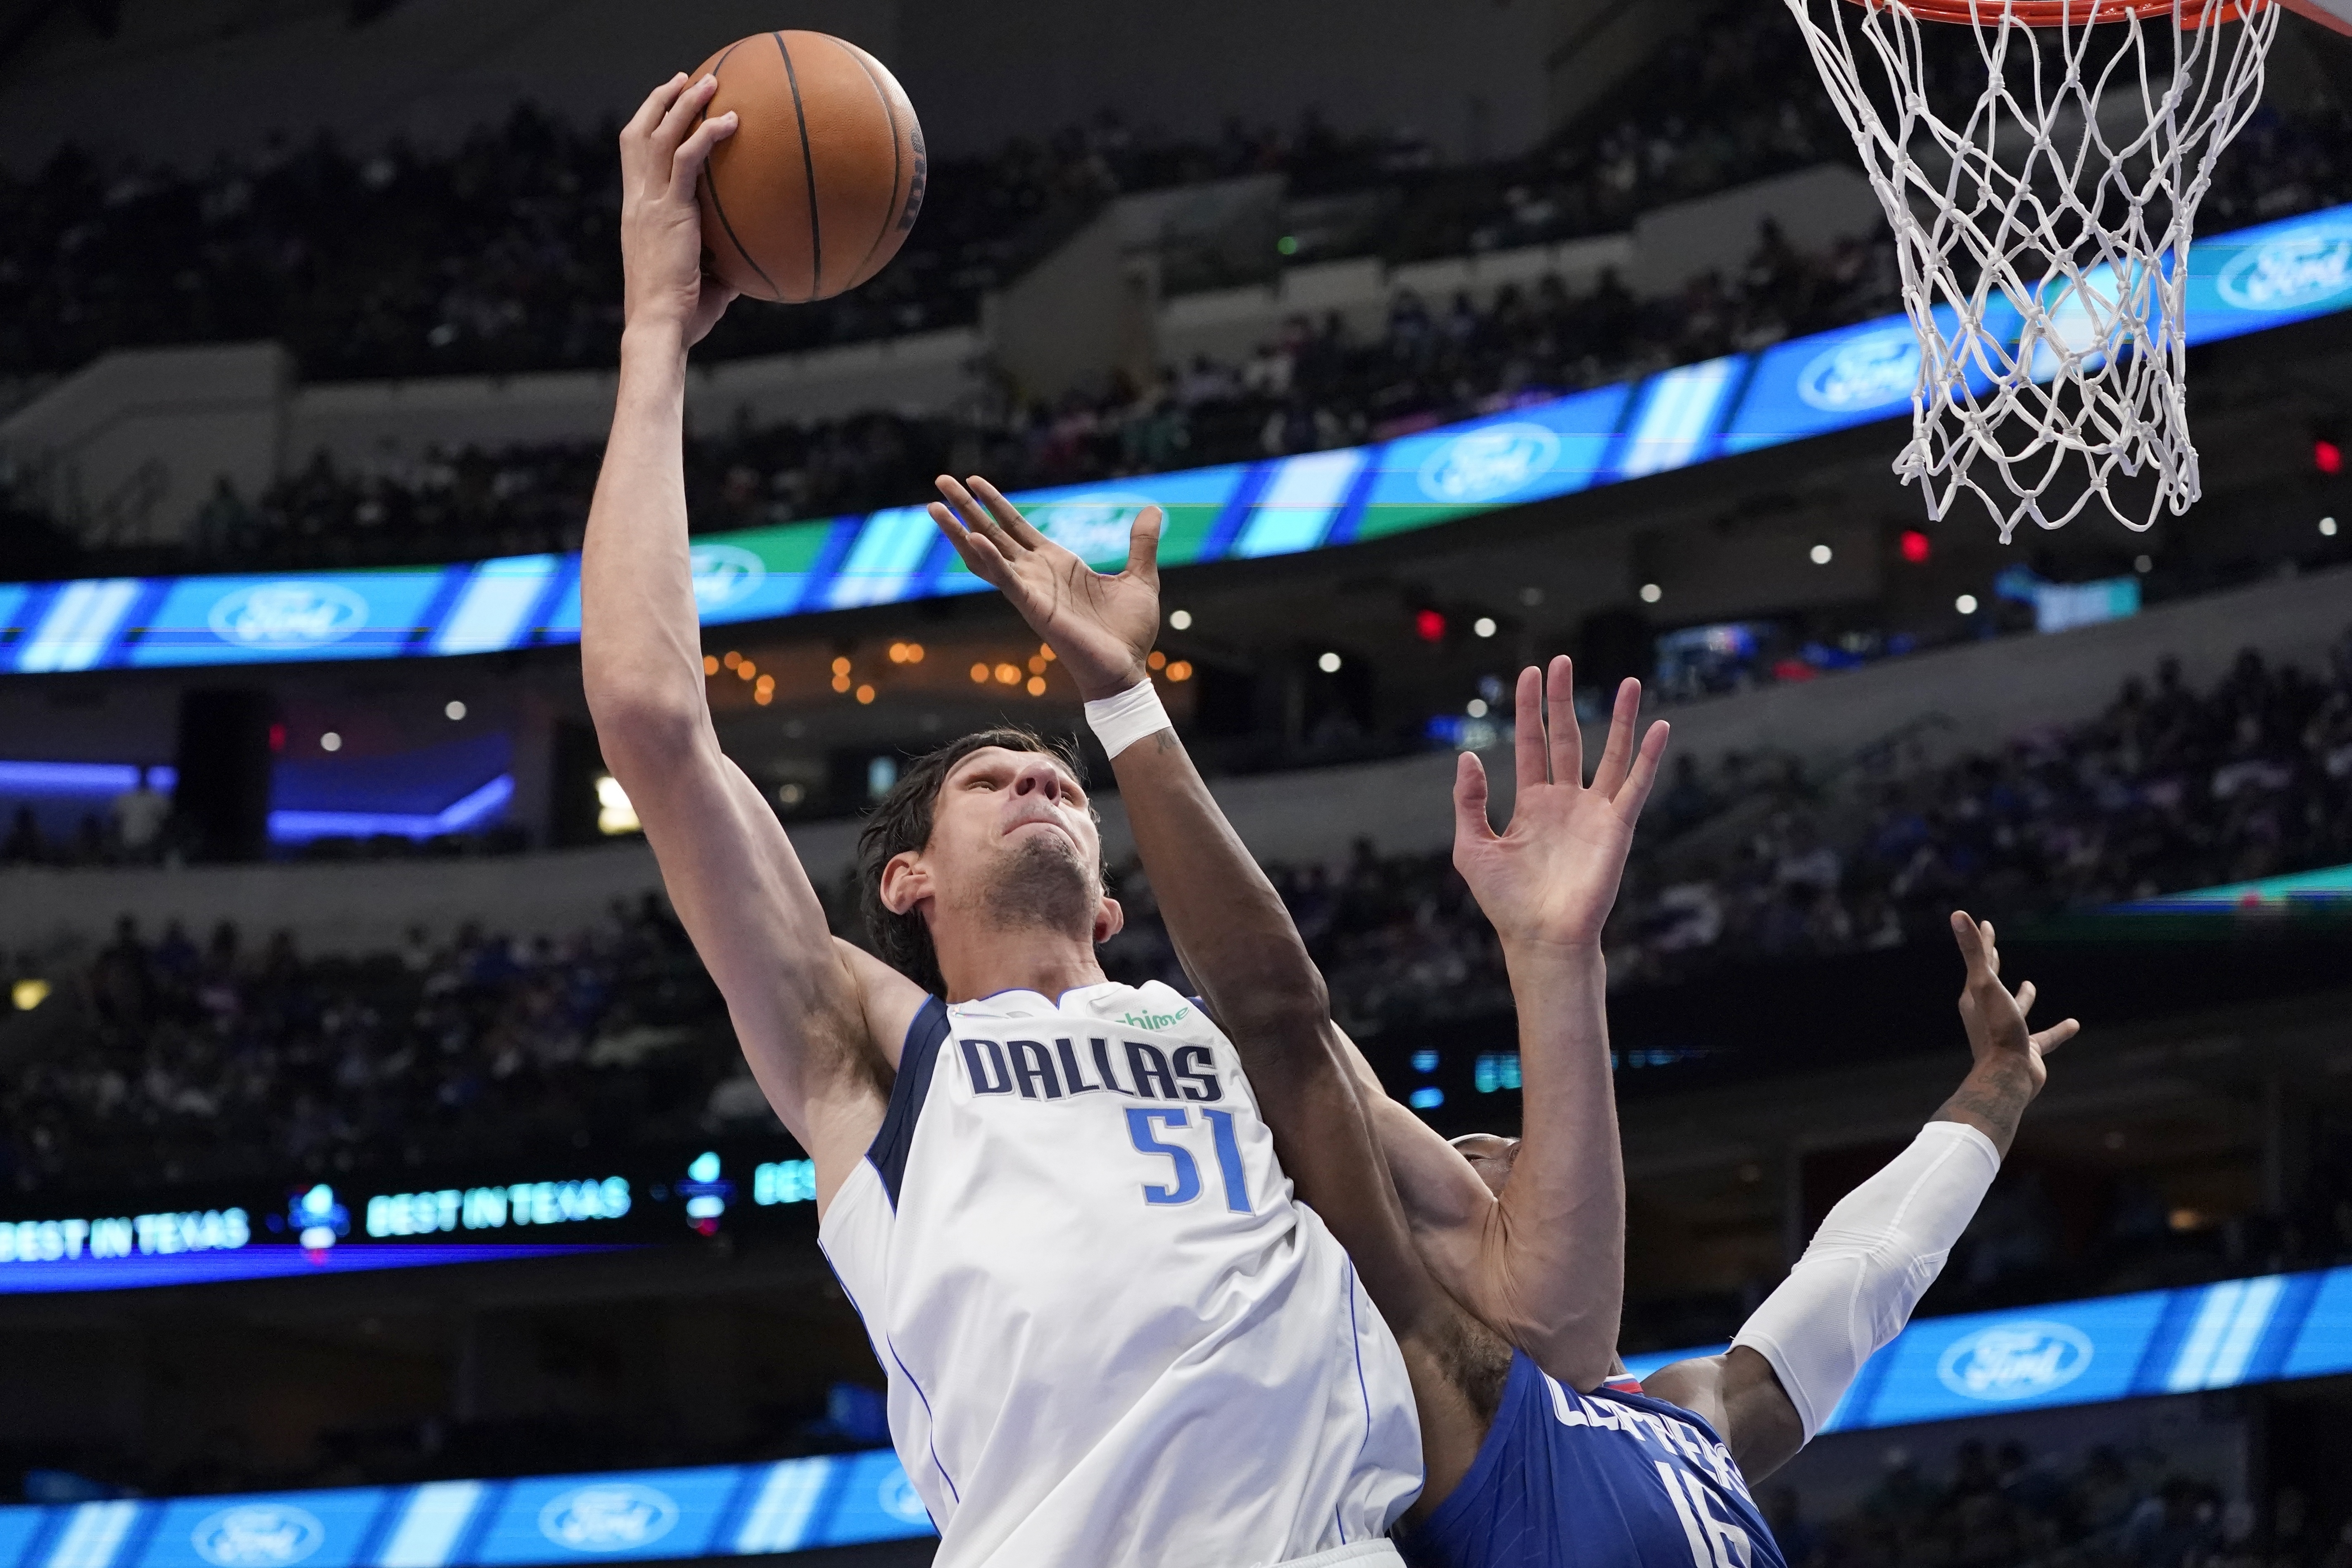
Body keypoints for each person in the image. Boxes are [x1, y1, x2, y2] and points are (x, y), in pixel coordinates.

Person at [579, 73, 1418, 1568]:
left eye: (1060, 778)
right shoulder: (871, 1052)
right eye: (989, 776)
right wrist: (655, 332)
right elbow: (654, 722)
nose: (1042, 778)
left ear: (1110, 902)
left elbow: (1503, 1254)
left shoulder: (1247, 1038)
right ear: (906, 881)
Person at [931, 486, 2078, 1567]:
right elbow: (1290, 1032)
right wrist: (1126, 706)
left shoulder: (1691, 1416)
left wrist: (1996, 1089)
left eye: (1487, 1160)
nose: (1466, 1166)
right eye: (1457, 1167)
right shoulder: (1434, 1397)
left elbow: (1860, 1275)